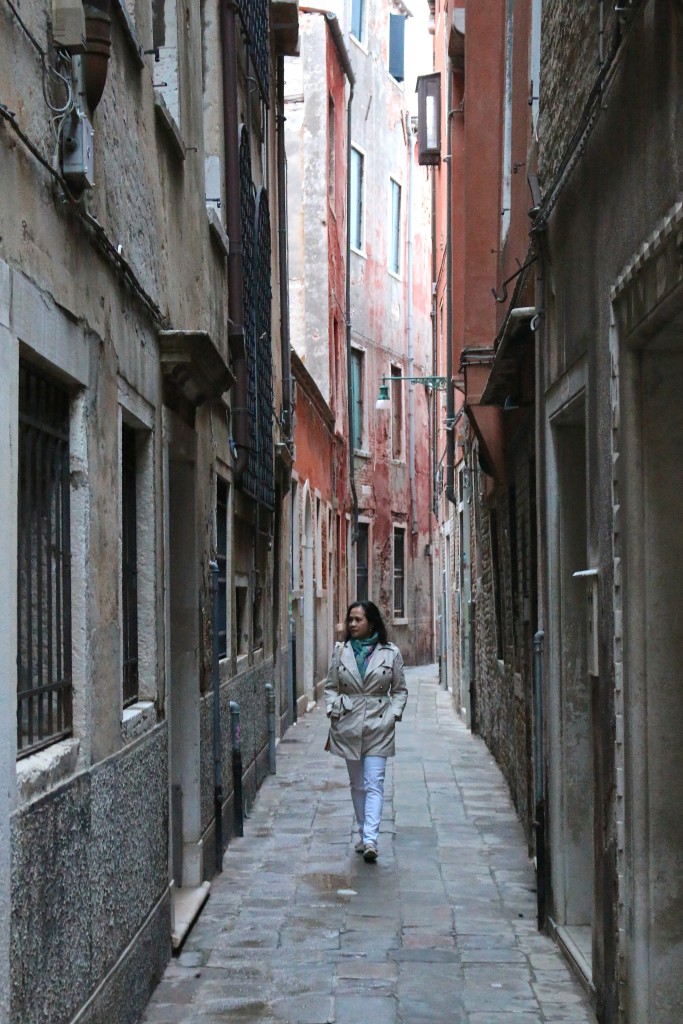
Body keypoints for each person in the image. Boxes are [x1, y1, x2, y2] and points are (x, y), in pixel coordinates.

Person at [324, 600, 408, 862]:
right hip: (348, 724)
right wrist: (333, 707)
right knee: (357, 785)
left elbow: (400, 690)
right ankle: (363, 832)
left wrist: (392, 715)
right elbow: (331, 686)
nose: (352, 624)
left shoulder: (390, 653)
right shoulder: (341, 652)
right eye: (350, 619)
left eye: (358, 619)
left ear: (371, 622)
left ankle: (371, 839)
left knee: (375, 783)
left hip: (379, 725)